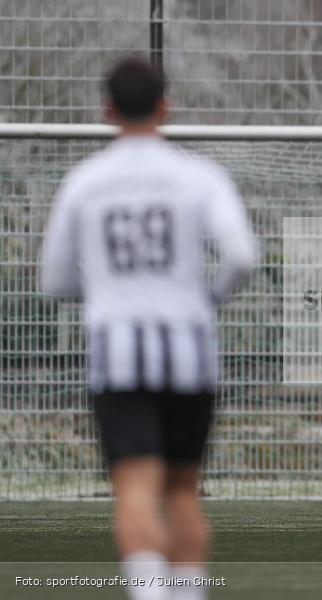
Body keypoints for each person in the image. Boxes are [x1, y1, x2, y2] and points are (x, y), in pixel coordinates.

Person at [41, 57, 256, 600]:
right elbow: (240, 256)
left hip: (117, 352)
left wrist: (108, 297)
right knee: (183, 489)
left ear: (107, 110)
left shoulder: (85, 181)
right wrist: (205, 300)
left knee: (134, 486)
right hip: (189, 349)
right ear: (167, 106)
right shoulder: (198, 174)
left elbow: (54, 279)